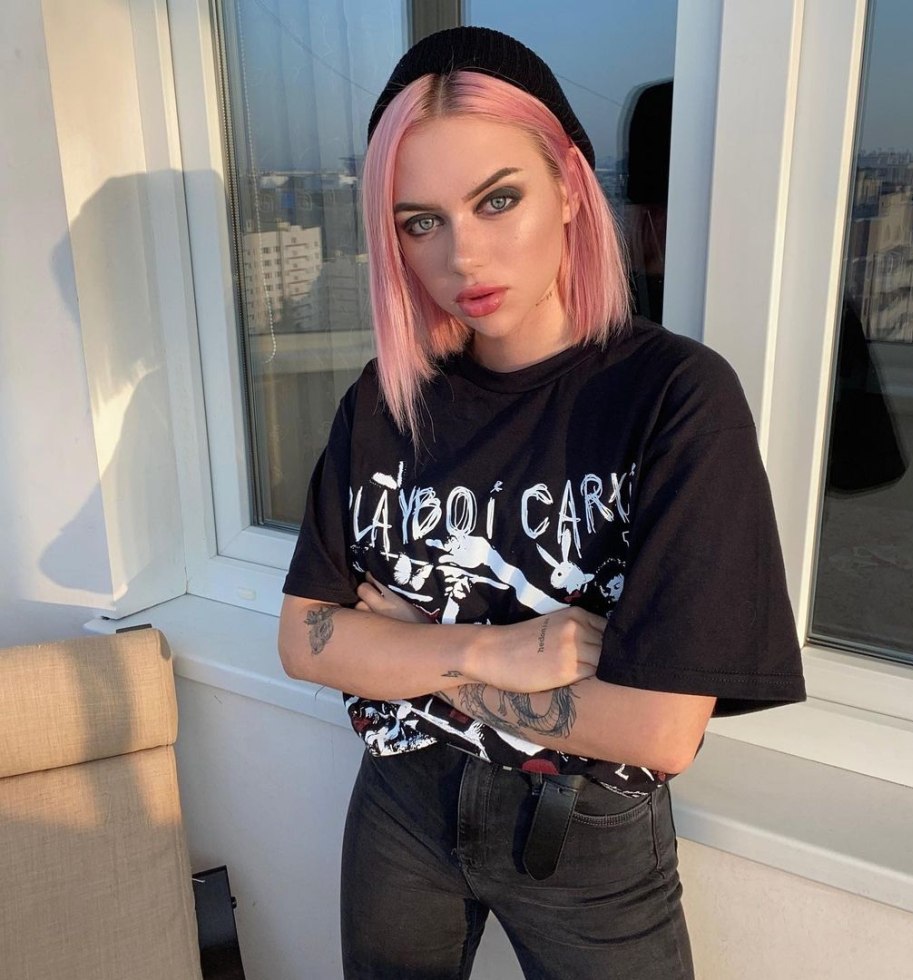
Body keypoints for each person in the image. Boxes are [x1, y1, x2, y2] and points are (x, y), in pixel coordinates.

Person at [278, 26, 805, 980]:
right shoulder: (387, 403)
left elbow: (658, 730)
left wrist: (409, 651)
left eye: (498, 199)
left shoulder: (672, 399)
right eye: (420, 221)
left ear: (569, 187)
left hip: (584, 828)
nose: (463, 255)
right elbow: (307, 639)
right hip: (402, 799)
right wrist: (493, 652)